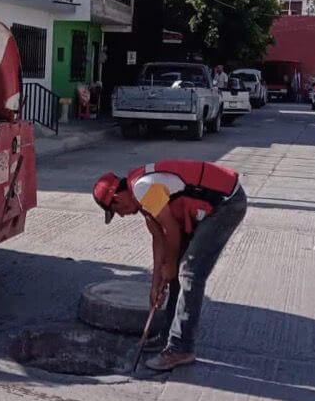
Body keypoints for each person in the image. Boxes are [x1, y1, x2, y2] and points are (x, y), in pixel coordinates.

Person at [92, 159, 247, 371]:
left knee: (189, 273)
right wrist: (157, 282)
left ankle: (181, 348)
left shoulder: (143, 188)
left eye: (116, 211)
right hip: (215, 204)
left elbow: (172, 231)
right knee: (175, 271)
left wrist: (171, 267)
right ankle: (167, 337)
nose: (122, 215)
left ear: (117, 198)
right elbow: (159, 239)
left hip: (226, 203)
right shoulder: (142, 200)